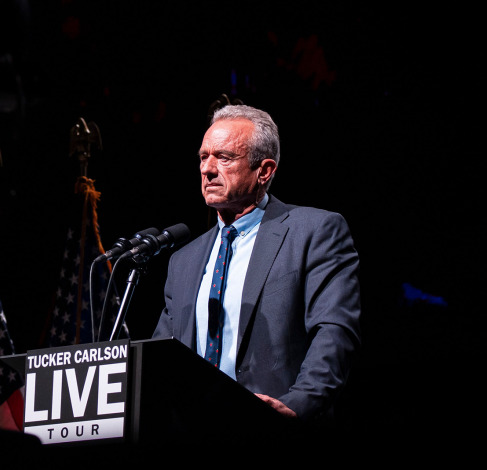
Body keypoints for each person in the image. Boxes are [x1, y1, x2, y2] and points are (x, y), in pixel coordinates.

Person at [152, 105, 360, 420]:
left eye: (223, 157)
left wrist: (297, 404)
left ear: (264, 171)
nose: (207, 169)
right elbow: (162, 356)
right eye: (203, 157)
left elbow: (333, 330)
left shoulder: (313, 231)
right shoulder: (183, 260)